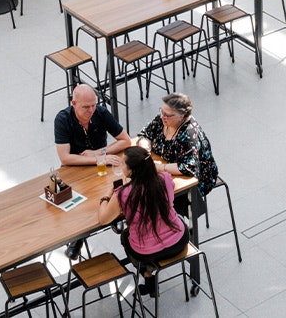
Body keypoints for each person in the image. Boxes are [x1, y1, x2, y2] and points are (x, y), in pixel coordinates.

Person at [98, 146, 189, 294]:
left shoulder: (123, 193)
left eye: (123, 164)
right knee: (175, 218)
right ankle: (149, 271)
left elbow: (103, 219)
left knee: (125, 236)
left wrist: (106, 197)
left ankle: (147, 274)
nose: (121, 166)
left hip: (148, 252)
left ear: (131, 171)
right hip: (179, 241)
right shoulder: (165, 178)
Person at [138, 92, 219, 214]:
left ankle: (168, 222)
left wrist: (159, 167)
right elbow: (144, 134)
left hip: (197, 178)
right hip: (167, 170)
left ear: (181, 116)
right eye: (161, 111)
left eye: (167, 115)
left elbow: (188, 167)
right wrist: (145, 149)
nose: (162, 116)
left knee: (153, 198)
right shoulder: (162, 120)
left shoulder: (189, 134)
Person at [54, 84, 132, 166]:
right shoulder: (63, 120)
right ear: (74, 104)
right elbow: (65, 158)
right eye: (86, 107)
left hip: (102, 162)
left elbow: (126, 140)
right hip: (75, 165)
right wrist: (98, 159)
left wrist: (98, 153)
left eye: (93, 105)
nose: (91, 110)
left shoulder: (101, 112)